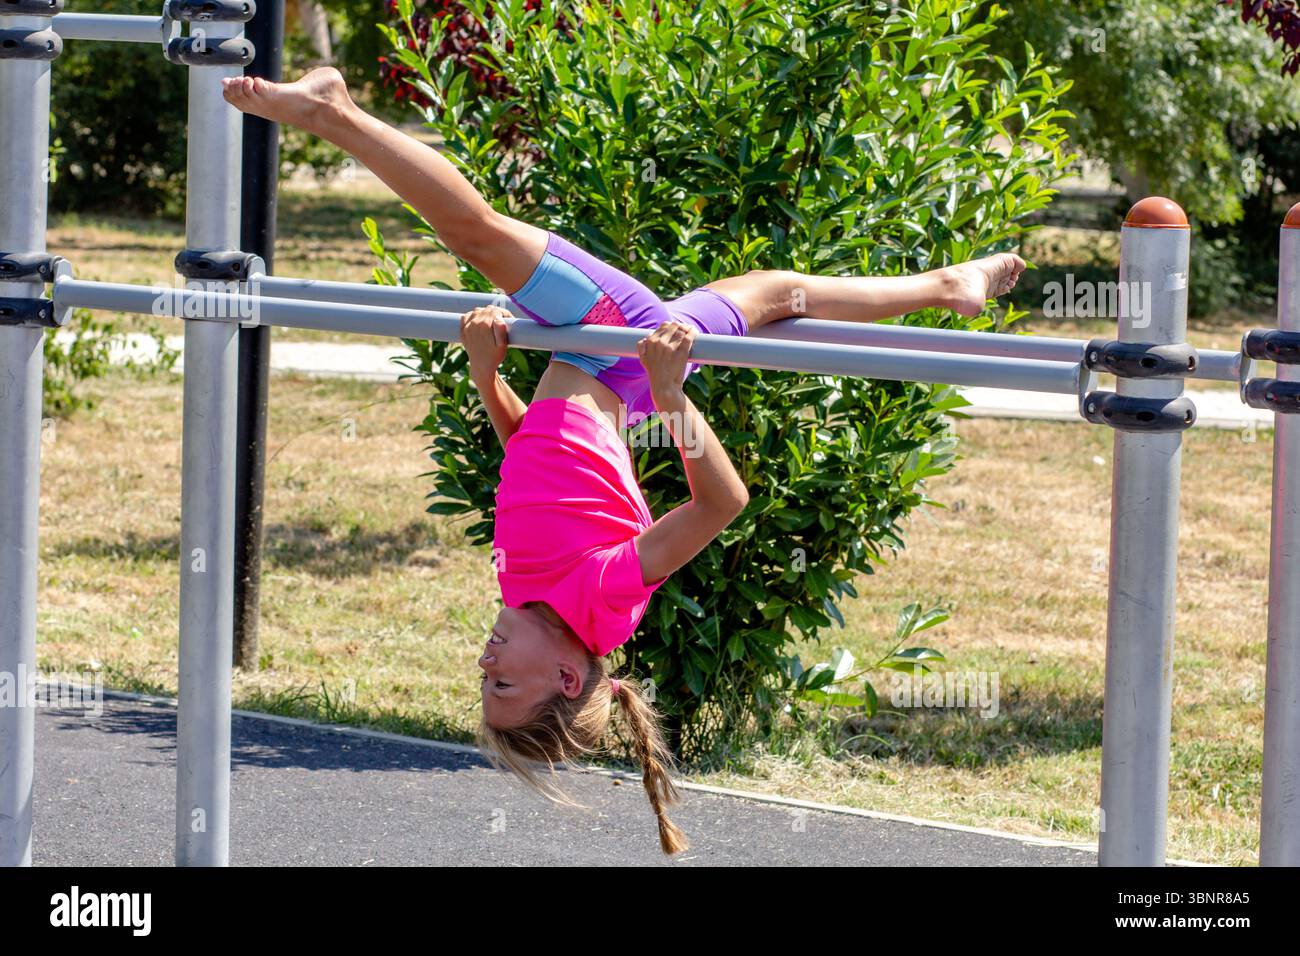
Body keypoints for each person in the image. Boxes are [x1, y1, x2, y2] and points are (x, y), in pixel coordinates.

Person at [221, 67, 1025, 854]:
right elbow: (721, 506)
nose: (485, 661)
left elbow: (530, 463)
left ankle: (947, 285)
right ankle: (334, 112)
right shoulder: (602, 596)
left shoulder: (521, 588)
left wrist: (488, 378)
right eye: (503, 683)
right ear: (568, 680)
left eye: (483, 681)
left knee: (775, 295)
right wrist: (672, 392)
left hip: (613, 370)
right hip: (625, 366)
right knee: (474, 234)